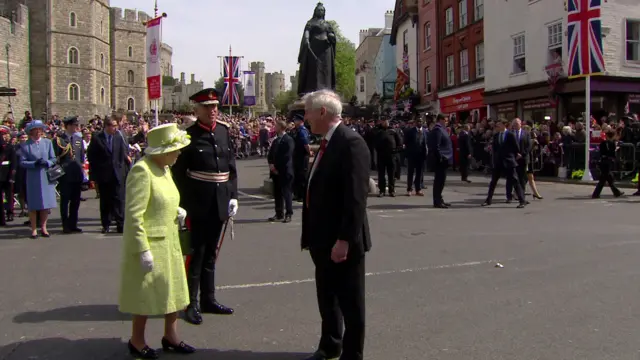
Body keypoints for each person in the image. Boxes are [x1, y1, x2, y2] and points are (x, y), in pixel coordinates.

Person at [301, 89, 371, 360]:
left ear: (322, 112)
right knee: (327, 297)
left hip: (342, 240)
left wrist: (344, 239)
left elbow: (356, 198)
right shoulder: (326, 142)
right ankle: (330, 344)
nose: (304, 117)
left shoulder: (351, 142)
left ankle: (352, 354)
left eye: (307, 111)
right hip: (321, 238)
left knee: (351, 303)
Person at [119, 123, 195, 359]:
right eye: (175, 149)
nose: (179, 153)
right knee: (146, 293)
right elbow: (134, 214)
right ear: (162, 151)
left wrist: (177, 210)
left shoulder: (165, 169)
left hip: (170, 239)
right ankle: (137, 340)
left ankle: (170, 336)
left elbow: (163, 200)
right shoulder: (143, 170)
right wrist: (142, 249)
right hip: (151, 243)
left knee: (173, 290)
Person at [172, 88, 238, 325]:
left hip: (220, 201)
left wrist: (233, 195)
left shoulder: (223, 131)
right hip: (197, 204)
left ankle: (209, 299)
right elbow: (179, 174)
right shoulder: (188, 136)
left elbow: (230, 165)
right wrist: (180, 205)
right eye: (207, 107)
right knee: (196, 256)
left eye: (215, 107)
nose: (213, 111)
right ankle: (192, 303)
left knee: (212, 253)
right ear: (196, 110)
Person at [87, 117, 130, 233]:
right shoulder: (97, 138)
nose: (115, 128)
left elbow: (122, 154)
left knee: (119, 199)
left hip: (117, 173)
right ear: (106, 126)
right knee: (105, 201)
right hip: (104, 174)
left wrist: (122, 170)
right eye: (112, 126)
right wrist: (98, 169)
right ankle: (105, 224)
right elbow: (91, 156)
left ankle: (120, 224)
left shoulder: (118, 137)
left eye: (116, 125)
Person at [19, 120, 57, 238]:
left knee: (45, 204)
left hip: (45, 175)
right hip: (33, 177)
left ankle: (44, 228)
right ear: (31, 132)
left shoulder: (47, 143)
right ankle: (34, 229)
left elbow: (54, 158)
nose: (37, 133)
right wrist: (34, 163)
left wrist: (48, 162)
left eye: (39, 130)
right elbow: (22, 162)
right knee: (34, 204)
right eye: (35, 131)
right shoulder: (25, 145)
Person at [482, 120, 527, 208]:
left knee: (515, 181)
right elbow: (494, 149)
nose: (497, 127)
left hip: (509, 161)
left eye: (498, 125)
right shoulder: (496, 135)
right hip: (499, 162)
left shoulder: (510, 135)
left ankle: (522, 200)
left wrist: (513, 156)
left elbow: (516, 147)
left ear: (504, 125)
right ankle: (488, 200)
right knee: (493, 182)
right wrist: (494, 161)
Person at [54, 116, 85, 234]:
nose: (76, 127)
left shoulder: (78, 139)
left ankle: (73, 224)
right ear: (67, 126)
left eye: (76, 125)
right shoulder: (59, 140)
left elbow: (81, 158)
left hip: (76, 174)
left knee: (75, 201)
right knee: (65, 201)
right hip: (65, 175)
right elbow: (56, 158)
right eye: (74, 125)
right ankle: (65, 225)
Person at [267, 119, 295, 223]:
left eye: (276, 126)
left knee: (286, 193)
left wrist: (277, 167)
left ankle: (289, 213)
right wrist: (271, 165)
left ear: (281, 127)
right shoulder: (275, 140)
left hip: (285, 171)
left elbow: (287, 156)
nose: (274, 127)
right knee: (277, 193)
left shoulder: (288, 140)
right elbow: (270, 154)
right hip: (275, 172)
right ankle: (279, 213)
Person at [427, 114, 453, 208]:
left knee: (441, 181)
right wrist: (440, 157)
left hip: (445, 159)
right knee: (439, 181)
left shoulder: (443, 129)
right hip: (441, 160)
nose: (446, 122)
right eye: (445, 120)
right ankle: (437, 201)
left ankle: (440, 199)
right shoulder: (437, 130)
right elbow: (436, 146)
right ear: (440, 120)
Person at [592, 130, 624, 199]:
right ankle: (596, 194)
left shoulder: (602, 143)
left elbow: (601, 152)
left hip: (602, 161)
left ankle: (616, 192)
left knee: (608, 178)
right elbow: (612, 154)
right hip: (607, 161)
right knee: (604, 179)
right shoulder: (612, 143)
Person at [507, 118, 531, 202]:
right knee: (513, 177)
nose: (516, 125)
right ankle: (511, 195)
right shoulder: (510, 134)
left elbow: (528, 146)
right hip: (513, 158)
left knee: (522, 178)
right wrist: (514, 155)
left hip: (523, 159)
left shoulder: (526, 133)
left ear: (521, 124)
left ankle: (522, 195)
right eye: (514, 124)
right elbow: (509, 146)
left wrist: (522, 154)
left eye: (517, 123)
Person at [404, 118, 427, 196]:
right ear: (415, 123)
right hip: (412, 155)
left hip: (421, 156)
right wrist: (407, 154)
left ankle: (418, 189)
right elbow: (406, 143)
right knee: (410, 172)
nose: (419, 122)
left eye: (421, 121)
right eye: (418, 121)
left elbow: (425, 143)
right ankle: (409, 189)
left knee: (419, 173)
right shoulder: (410, 131)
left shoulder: (425, 131)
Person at [292, 113, 311, 201]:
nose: (294, 121)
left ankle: (302, 195)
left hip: (302, 156)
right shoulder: (296, 130)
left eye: (296, 120)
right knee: (297, 175)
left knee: (302, 175)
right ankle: (297, 194)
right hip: (297, 156)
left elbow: (305, 144)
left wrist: (309, 152)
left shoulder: (302, 130)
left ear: (300, 121)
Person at [0, 125, 16, 224]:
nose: (4, 136)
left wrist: (12, 176)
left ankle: (10, 212)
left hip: (8, 173)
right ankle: (1, 217)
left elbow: (14, 163)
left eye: (5, 134)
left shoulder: (10, 147)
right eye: (2, 134)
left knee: (9, 195)